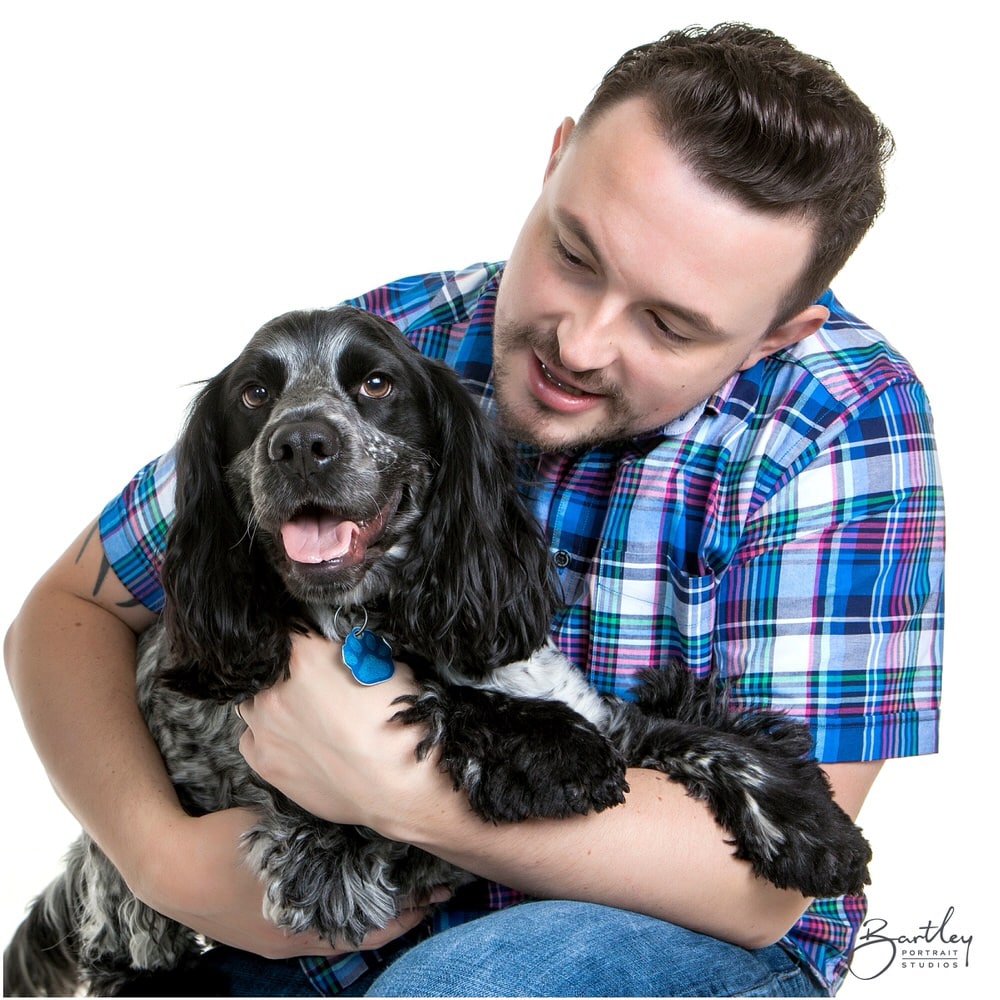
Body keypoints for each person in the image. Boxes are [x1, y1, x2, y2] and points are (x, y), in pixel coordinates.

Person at [4, 23, 943, 998]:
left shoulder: (841, 420)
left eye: (667, 322)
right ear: (552, 164)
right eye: (574, 254)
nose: (578, 343)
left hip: (672, 929)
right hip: (336, 908)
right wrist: (165, 861)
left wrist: (407, 795)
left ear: (773, 335)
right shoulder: (388, 351)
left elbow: (760, 888)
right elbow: (67, 612)